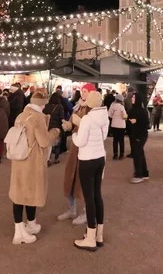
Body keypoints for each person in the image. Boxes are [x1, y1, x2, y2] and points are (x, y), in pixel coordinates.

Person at [9, 91, 60, 245]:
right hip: (32, 162)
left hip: (19, 160)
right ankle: (19, 232)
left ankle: (30, 224)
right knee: (31, 193)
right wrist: (55, 131)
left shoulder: (21, 115)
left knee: (19, 194)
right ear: (41, 104)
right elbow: (44, 141)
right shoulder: (38, 118)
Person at [70, 90, 108, 251]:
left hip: (87, 160)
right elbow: (103, 136)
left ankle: (90, 237)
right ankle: (99, 234)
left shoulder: (87, 118)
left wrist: (74, 134)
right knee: (97, 195)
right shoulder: (103, 116)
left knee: (89, 198)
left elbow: (80, 141)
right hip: (100, 158)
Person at [58, 87, 91, 226]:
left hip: (86, 149)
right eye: (82, 91)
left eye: (86, 92)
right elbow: (72, 122)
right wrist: (68, 125)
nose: (83, 94)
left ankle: (85, 212)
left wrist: (80, 124)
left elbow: (93, 129)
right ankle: (71, 209)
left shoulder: (92, 110)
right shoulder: (78, 107)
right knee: (70, 178)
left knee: (83, 181)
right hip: (74, 148)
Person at [127, 93, 150, 184]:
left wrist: (136, 121)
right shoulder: (132, 110)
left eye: (134, 97)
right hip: (134, 135)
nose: (132, 98)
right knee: (140, 153)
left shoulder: (143, 111)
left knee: (137, 154)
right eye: (132, 97)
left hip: (141, 135)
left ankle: (139, 174)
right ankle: (144, 173)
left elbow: (146, 124)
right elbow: (129, 121)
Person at [107, 93, 127, 160]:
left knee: (115, 140)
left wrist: (114, 117)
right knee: (121, 140)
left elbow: (109, 115)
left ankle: (115, 154)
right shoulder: (122, 107)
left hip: (114, 125)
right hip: (121, 126)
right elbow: (125, 116)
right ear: (121, 100)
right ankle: (121, 154)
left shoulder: (112, 106)